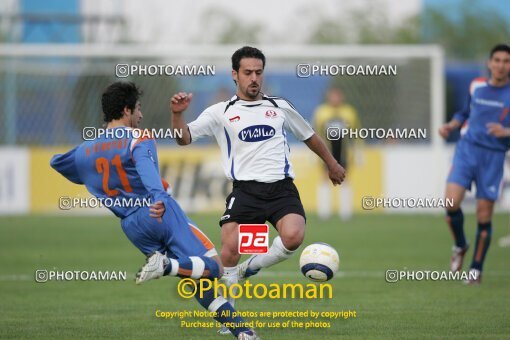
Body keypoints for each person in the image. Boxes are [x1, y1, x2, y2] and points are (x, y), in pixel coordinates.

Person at [50, 81, 259, 340]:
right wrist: (159, 198)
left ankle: (242, 331)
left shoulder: (84, 152)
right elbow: (150, 176)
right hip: (159, 212)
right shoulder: (138, 138)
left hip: (132, 226)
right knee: (214, 268)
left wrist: (91, 177)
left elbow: (57, 162)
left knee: (196, 278)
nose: (141, 115)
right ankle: (166, 266)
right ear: (126, 110)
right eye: (138, 108)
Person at [170, 46, 345, 333]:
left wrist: (332, 163)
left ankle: (253, 266)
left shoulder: (279, 107)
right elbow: (183, 138)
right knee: (230, 249)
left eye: (258, 72)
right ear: (234, 75)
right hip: (246, 192)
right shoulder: (221, 112)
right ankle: (230, 316)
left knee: (293, 236)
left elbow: (309, 136)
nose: (254, 78)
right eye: (248, 72)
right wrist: (177, 116)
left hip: (281, 189)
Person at [439, 43, 510, 284]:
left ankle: (476, 269)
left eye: (506, 61)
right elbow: (465, 112)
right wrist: (452, 124)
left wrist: (506, 131)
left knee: (483, 215)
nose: (501, 65)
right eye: (497, 60)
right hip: (467, 150)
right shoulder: (477, 85)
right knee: (450, 202)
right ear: (490, 63)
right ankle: (460, 244)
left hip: (494, 156)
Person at [313, 87, 362, 220]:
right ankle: (324, 212)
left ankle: (345, 213)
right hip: (326, 152)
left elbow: (356, 132)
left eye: (337, 96)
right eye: (332, 96)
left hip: (343, 152)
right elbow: (315, 133)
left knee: (345, 179)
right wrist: (312, 153)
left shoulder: (349, 112)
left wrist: (358, 152)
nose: (335, 99)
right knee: (324, 179)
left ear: (342, 97)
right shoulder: (321, 112)